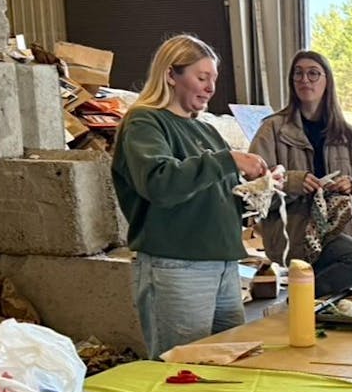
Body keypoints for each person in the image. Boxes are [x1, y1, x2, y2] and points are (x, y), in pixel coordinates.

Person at [112, 34, 268, 359]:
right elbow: (160, 183)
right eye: (202, 77)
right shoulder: (145, 122)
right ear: (171, 75)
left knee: (233, 362)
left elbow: (218, 196)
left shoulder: (205, 130)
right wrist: (230, 159)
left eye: (214, 78)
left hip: (224, 266)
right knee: (183, 367)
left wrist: (258, 192)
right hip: (178, 267)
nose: (211, 87)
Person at [250, 50, 352, 296]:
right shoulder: (272, 129)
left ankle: (304, 312)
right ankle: (296, 307)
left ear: (327, 81)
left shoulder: (348, 136)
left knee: (342, 293)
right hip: (292, 232)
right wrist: (291, 183)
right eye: (298, 74)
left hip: (337, 231)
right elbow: (253, 190)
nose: (305, 80)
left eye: (313, 73)